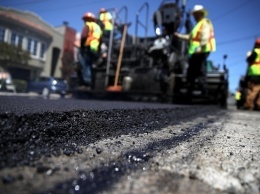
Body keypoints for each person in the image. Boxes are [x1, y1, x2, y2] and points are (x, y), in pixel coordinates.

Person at [174, 5, 216, 100]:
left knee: (199, 71)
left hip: (200, 51)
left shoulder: (204, 23)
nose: (194, 16)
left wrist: (200, 47)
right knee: (192, 72)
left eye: (195, 14)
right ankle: (190, 93)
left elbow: (205, 36)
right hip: (196, 52)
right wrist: (179, 36)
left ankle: (204, 94)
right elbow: (190, 37)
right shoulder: (197, 25)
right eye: (194, 15)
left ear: (201, 14)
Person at [79, 12, 102, 89]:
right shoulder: (98, 27)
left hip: (87, 48)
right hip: (94, 49)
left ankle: (87, 83)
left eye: (85, 19)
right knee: (90, 66)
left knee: (85, 66)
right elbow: (100, 39)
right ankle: (91, 82)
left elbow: (83, 37)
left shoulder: (88, 25)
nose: (85, 21)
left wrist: (81, 46)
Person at [243, 38, 260, 110]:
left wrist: (248, 55)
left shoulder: (255, 52)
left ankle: (249, 105)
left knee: (252, 91)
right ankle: (258, 105)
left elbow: (249, 59)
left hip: (255, 75)